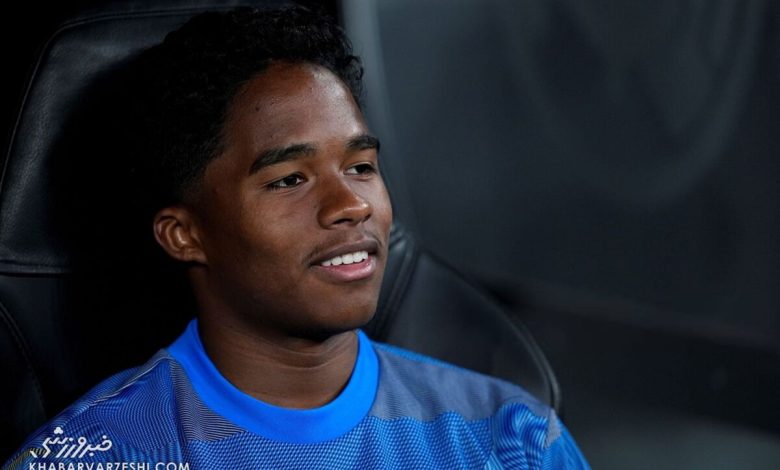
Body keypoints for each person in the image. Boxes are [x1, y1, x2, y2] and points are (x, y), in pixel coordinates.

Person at [4, 5, 588, 469]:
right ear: (184, 235)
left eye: (360, 166)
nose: (351, 204)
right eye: (289, 179)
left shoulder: (511, 438)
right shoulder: (105, 455)